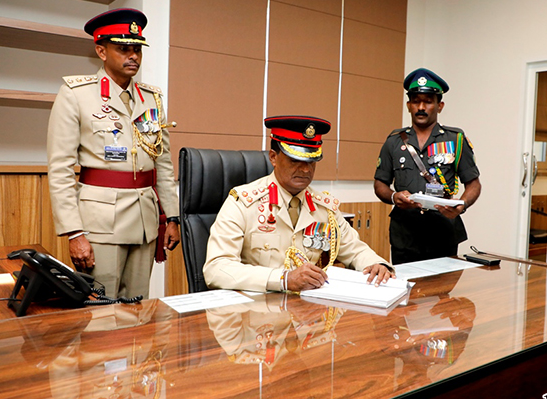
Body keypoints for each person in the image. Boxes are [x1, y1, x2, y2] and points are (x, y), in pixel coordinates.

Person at [47, 8, 180, 299]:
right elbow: (60, 170)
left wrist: (172, 217)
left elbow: (163, 163)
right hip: (100, 225)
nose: (133, 56)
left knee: (138, 307)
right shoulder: (76, 94)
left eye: (137, 49)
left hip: (145, 223)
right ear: (101, 51)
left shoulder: (151, 98)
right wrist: (74, 232)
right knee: (101, 311)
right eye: (123, 49)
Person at [204, 115, 394, 292]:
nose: (305, 169)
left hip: (309, 310)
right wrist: (282, 279)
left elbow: (355, 249)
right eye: (295, 160)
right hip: (258, 310)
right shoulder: (243, 202)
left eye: (311, 161)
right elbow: (216, 269)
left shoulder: (324, 207)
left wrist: (377, 264)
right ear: (273, 157)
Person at [374, 68, 482, 264]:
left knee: (443, 284)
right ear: (409, 105)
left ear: (440, 106)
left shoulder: (455, 140)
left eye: (428, 101)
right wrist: (393, 196)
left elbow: (474, 184)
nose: (421, 107)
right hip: (404, 234)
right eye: (416, 101)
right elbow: (380, 183)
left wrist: (462, 205)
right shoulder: (394, 141)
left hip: (443, 232)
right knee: (405, 282)